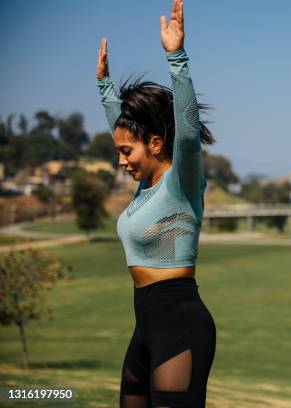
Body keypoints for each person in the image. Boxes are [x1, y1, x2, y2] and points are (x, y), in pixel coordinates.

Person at [96, 0, 215, 406]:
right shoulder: (144, 186)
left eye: (127, 152)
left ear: (156, 144)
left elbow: (187, 133)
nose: (121, 161)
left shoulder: (180, 182)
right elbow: (127, 128)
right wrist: (105, 89)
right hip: (145, 321)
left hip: (179, 318)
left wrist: (176, 57)